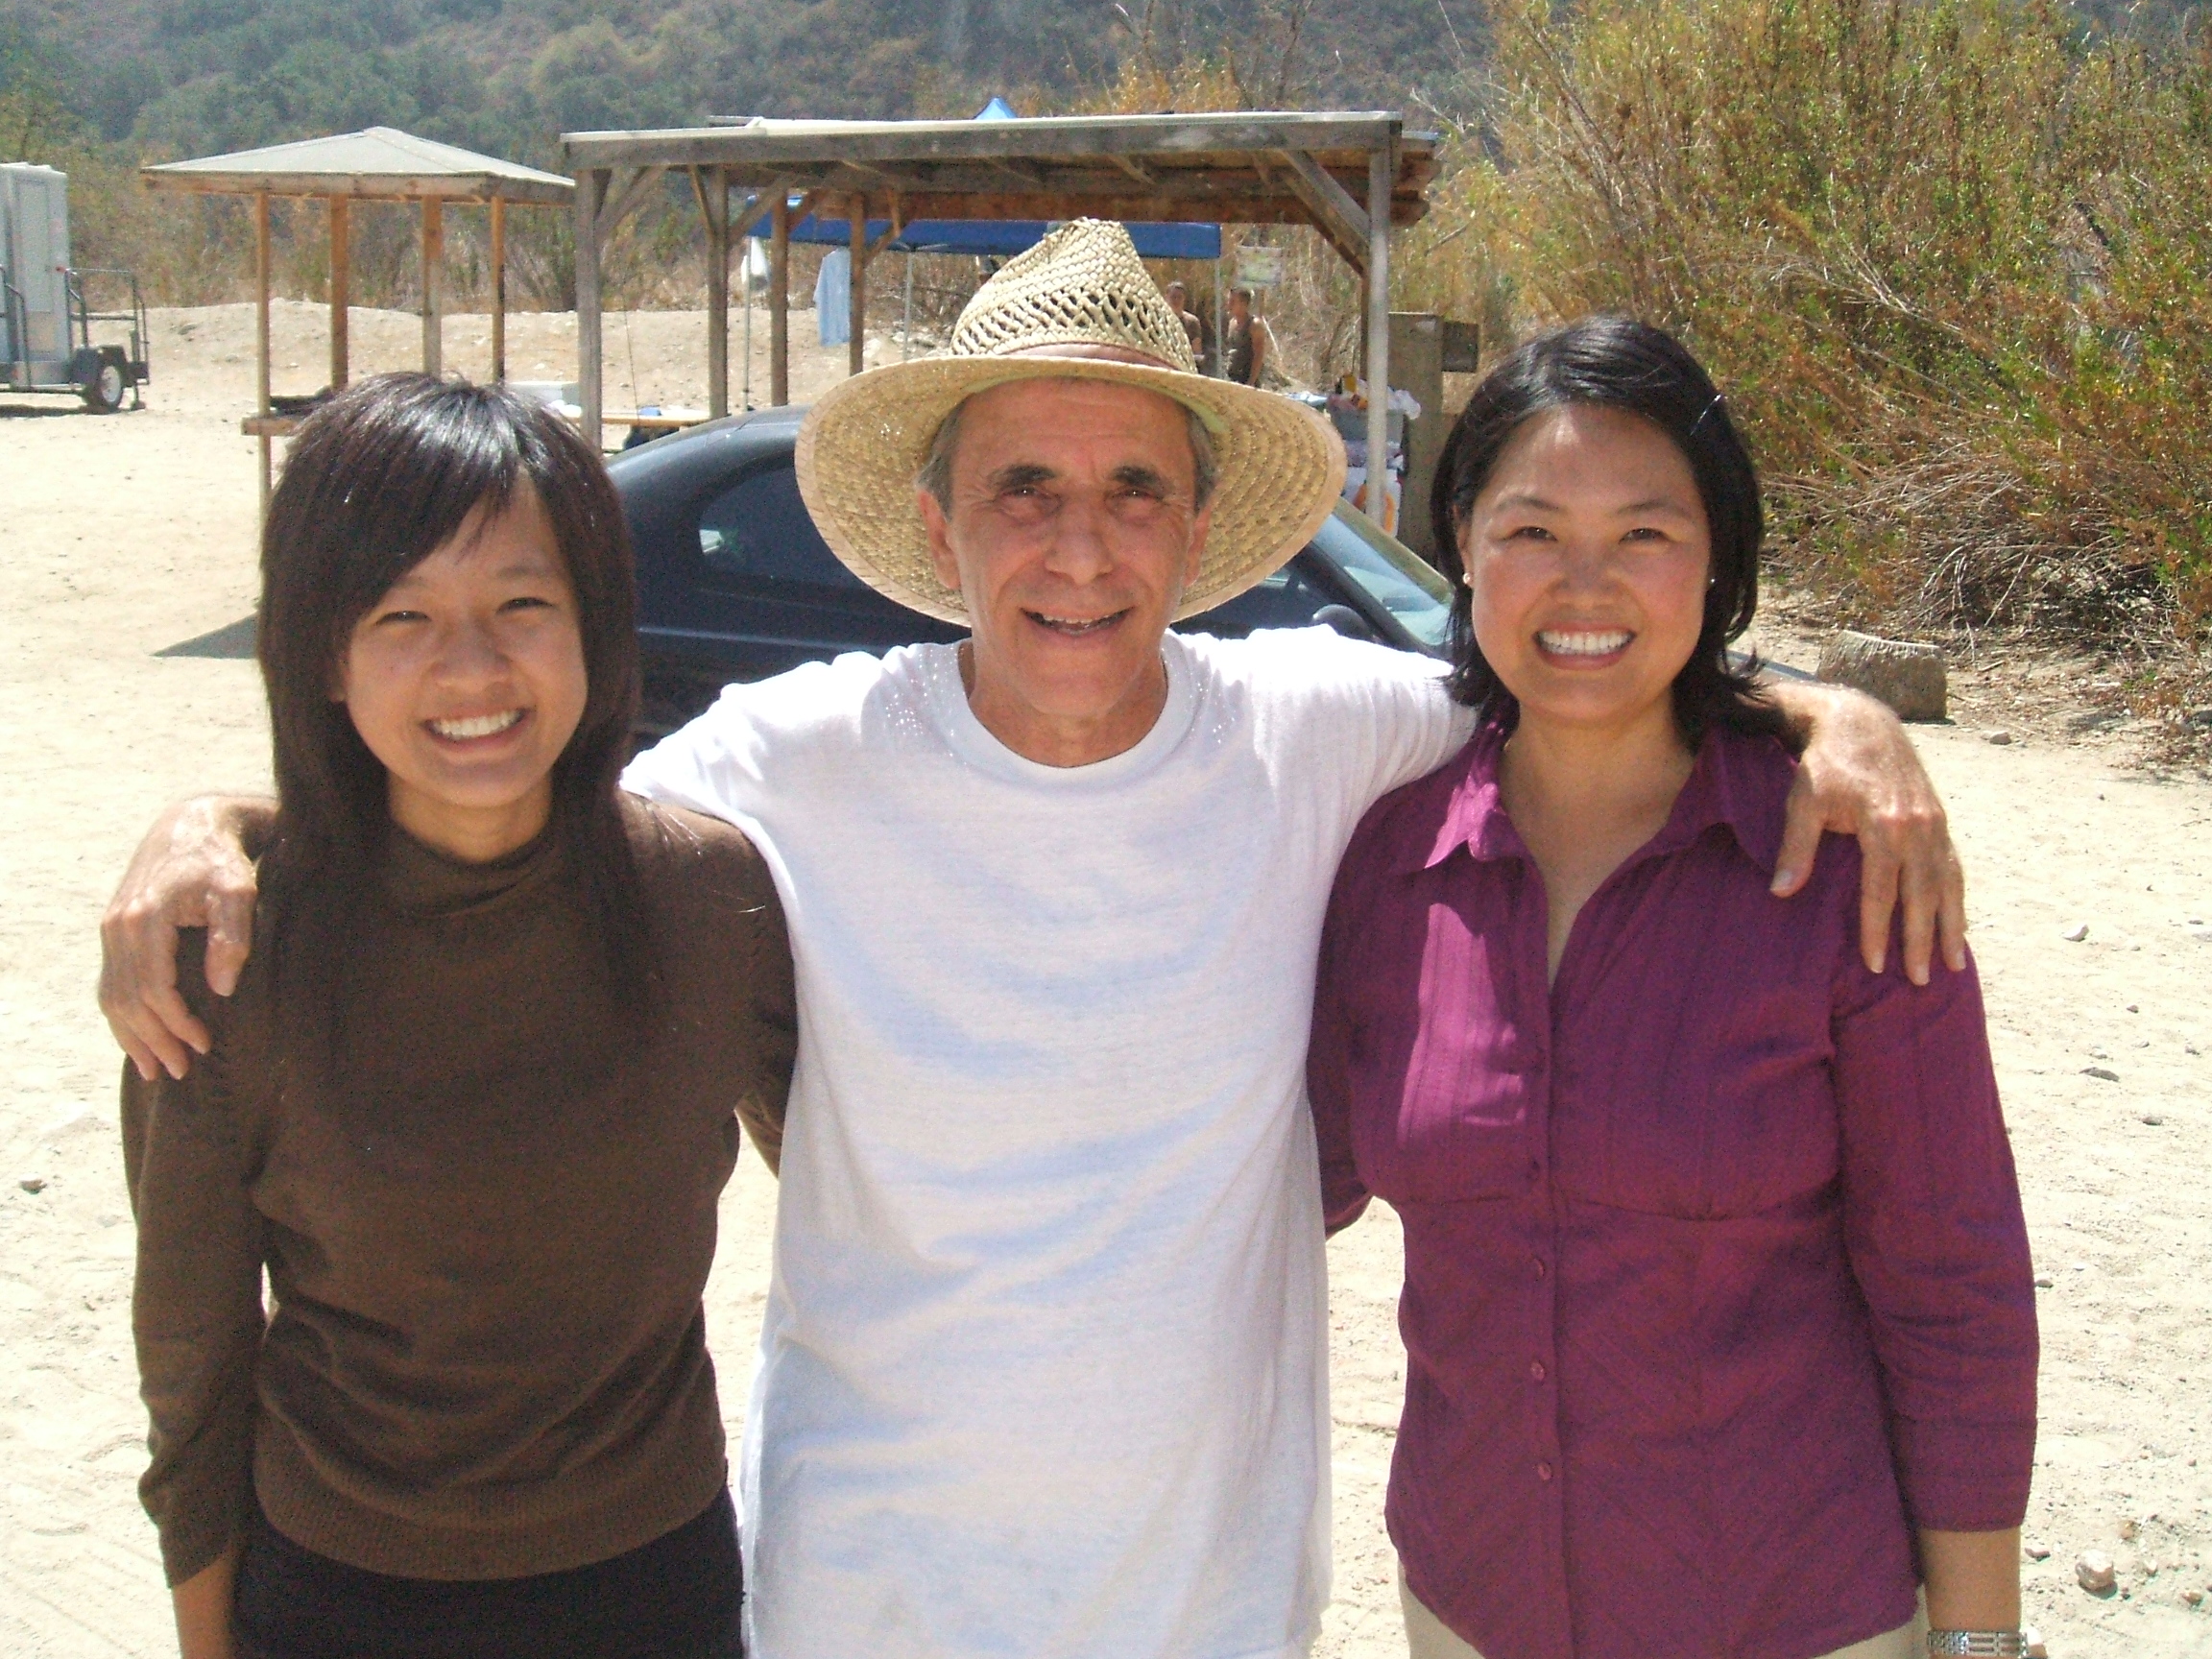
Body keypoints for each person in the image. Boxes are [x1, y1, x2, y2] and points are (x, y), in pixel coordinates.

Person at [104, 225, 1966, 1659]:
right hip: (863, 1603)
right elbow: (483, 794)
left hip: (1215, 1608)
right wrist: (227, 826)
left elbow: (1582, 660)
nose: (1080, 548)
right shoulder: (788, 764)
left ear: (1195, 530)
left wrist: (1814, 713)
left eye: (1131, 491)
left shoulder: (1323, 731)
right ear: (936, 523)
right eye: (1026, 492)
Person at [1308, 318, 2036, 1659]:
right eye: (1531, 530)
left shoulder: (1845, 865)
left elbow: (1954, 1280)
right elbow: (1286, 1180)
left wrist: (1982, 1639)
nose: (1584, 587)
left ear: (1718, 563)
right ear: (1462, 541)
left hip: (1790, 1606)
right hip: (1472, 1602)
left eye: (1645, 534)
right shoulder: (1386, 861)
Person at [123, 375, 796, 1659]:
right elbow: (191, 1370)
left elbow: (858, 1183)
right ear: (323, 649)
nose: (473, 666)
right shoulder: (228, 954)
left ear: (597, 621)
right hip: (338, 1597)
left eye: (522, 604)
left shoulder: (712, 902)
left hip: (656, 1589)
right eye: (402, 614)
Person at [1224, 284, 1269, 386]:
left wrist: (1251, 382)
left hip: (1247, 379)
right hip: (1232, 378)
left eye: (1232, 302)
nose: (1229, 305)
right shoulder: (1232, 322)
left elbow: (1258, 355)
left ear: (1243, 304)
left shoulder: (1254, 325)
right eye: (1229, 301)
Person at [1162, 278, 1205, 361]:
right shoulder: (1159, 320)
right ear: (1166, 297)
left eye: (1179, 297)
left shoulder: (1192, 322)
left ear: (1184, 298)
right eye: (1173, 297)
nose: (1176, 300)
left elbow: (1196, 351)